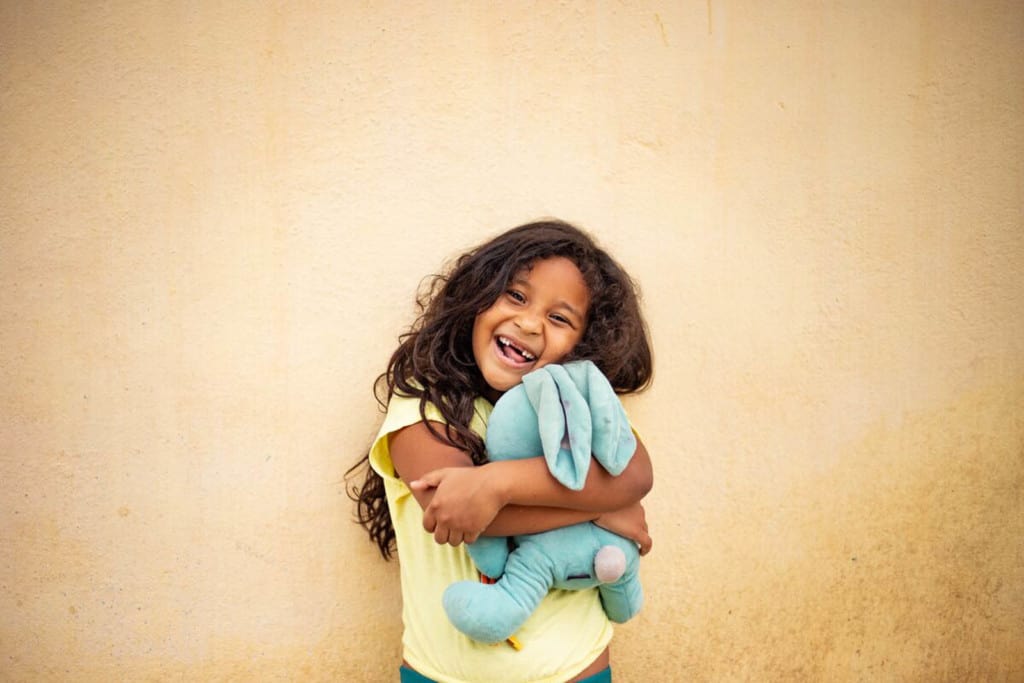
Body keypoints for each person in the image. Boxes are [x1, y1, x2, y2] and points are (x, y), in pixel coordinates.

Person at [347, 220, 654, 683]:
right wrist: (599, 510)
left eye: (560, 318)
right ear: (476, 298)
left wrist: (496, 482)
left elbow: (634, 476)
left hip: (579, 670)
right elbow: (461, 512)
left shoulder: (577, 404)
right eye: (516, 295)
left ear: (584, 343)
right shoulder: (422, 403)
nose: (529, 323)